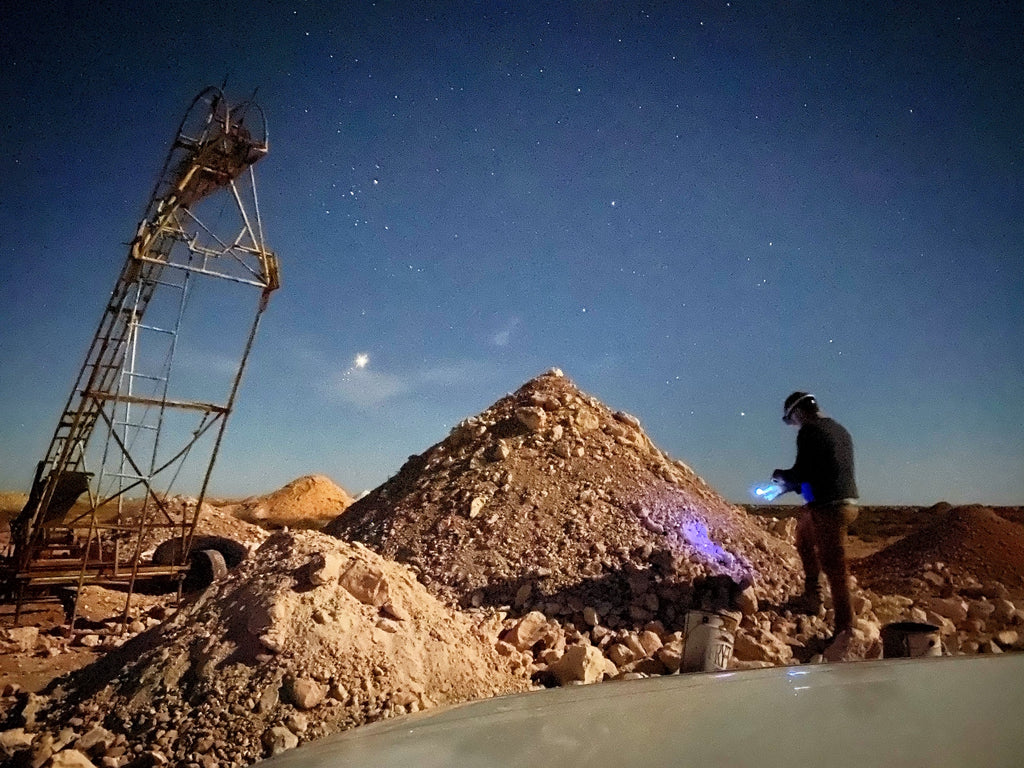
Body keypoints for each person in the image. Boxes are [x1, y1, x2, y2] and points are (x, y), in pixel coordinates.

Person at [771, 391, 859, 638]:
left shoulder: (809, 431)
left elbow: (803, 471)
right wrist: (790, 486)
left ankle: (845, 630)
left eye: (791, 420)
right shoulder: (839, 429)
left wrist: (782, 476)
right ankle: (813, 596)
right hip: (842, 503)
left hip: (830, 507)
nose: (793, 425)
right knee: (803, 537)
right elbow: (821, 471)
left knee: (835, 567)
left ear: (797, 412)